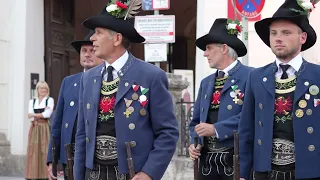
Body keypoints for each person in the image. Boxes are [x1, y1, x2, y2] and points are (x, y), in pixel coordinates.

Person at [73, 1, 179, 180]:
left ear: (117, 39)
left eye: (98, 33)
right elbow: (82, 133)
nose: (92, 38)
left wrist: (148, 173)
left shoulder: (150, 76)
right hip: (93, 173)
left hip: (131, 173)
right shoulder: (88, 78)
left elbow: (168, 133)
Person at [238, 0, 320, 179]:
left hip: (309, 172)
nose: (278, 38)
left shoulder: (317, 75)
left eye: (286, 32)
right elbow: (246, 129)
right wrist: (243, 173)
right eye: (273, 33)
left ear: (302, 38)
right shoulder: (256, 76)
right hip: (265, 172)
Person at [188, 18, 252, 180]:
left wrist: (216, 129)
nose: (205, 53)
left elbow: (251, 117)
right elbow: (195, 122)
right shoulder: (206, 82)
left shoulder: (251, 77)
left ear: (224, 48)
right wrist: (193, 143)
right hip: (207, 165)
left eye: (209, 48)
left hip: (234, 160)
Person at [46, 30, 103, 180]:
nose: (87, 54)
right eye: (84, 51)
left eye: (92, 50)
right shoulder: (69, 82)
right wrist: (52, 159)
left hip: (95, 158)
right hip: (68, 157)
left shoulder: (108, 80)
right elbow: (57, 123)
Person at [25, 81, 54, 180]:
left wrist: (35, 114)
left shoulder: (49, 100)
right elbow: (29, 117)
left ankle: (45, 175)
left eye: (45, 88)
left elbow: (47, 114)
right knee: (33, 151)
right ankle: (33, 175)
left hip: (44, 128)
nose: (43, 90)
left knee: (45, 150)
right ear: (37, 90)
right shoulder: (32, 101)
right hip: (35, 128)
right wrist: (41, 113)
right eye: (41, 88)